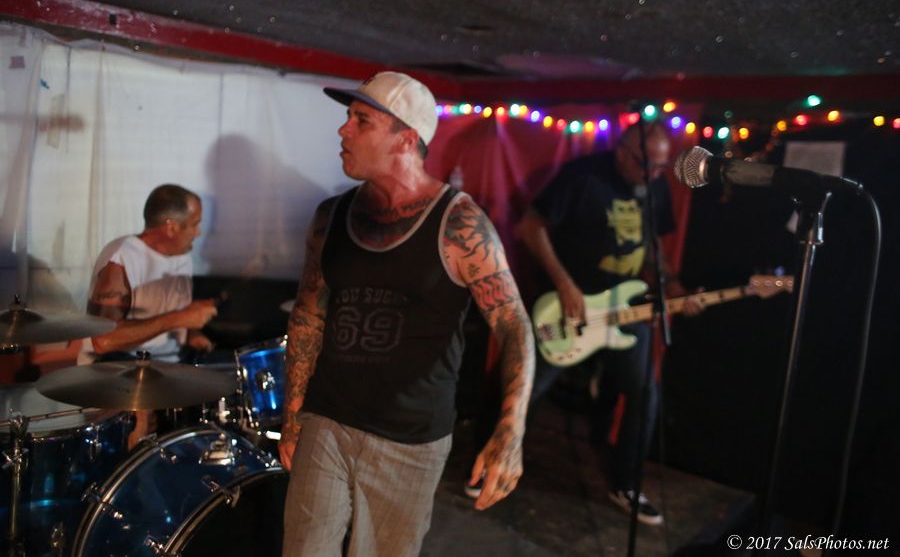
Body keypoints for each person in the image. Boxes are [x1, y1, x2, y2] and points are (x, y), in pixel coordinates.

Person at [278, 71, 535, 556]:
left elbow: (514, 325)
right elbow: (309, 316)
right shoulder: (330, 217)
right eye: (348, 117)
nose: (343, 130)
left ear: (406, 138)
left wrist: (511, 431)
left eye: (361, 120)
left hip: (408, 440)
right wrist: (293, 418)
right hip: (327, 422)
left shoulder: (459, 223)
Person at [516, 122, 703, 526]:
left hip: (624, 307)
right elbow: (530, 226)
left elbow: (653, 246)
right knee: (524, 387)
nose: (654, 174)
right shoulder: (582, 176)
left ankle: (626, 484)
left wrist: (671, 284)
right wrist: (565, 284)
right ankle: (491, 461)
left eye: (661, 167)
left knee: (644, 393)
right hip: (568, 308)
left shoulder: (656, 186)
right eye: (646, 165)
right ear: (621, 152)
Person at [85, 184, 218, 443]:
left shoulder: (182, 256)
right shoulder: (121, 257)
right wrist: (179, 318)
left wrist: (191, 332)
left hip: (168, 371)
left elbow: (167, 314)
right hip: (120, 374)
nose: (199, 232)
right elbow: (103, 340)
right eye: (194, 224)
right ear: (171, 227)